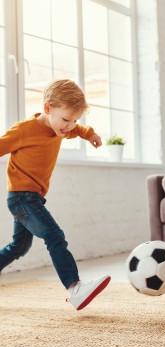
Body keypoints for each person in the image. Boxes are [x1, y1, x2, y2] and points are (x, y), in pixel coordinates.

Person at [0, 79, 111, 311]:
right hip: (22, 197)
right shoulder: (24, 130)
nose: (70, 126)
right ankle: (75, 287)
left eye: (75, 120)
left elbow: (77, 130)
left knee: (18, 248)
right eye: (66, 120)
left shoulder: (59, 127)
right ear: (48, 108)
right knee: (54, 236)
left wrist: (89, 133)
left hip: (33, 198)